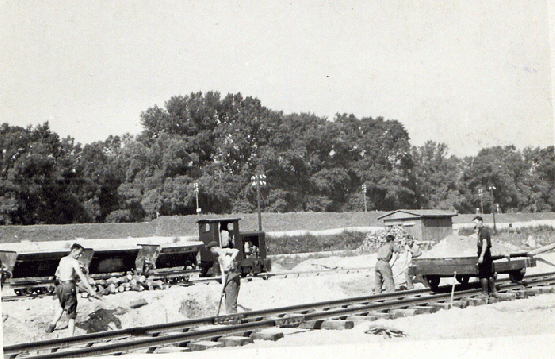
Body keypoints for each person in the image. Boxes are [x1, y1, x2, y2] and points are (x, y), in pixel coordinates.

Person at [46, 243, 99, 336]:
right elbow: (81, 276)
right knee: (72, 314)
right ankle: (70, 338)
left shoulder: (63, 260)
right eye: (79, 253)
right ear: (73, 251)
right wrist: (90, 289)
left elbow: (57, 274)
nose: (80, 256)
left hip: (60, 286)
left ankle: (52, 325)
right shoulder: (74, 262)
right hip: (68, 287)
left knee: (62, 305)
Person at [207, 241, 240, 314]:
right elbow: (223, 272)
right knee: (227, 301)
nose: (211, 253)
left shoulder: (224, 251)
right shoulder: (219, 258)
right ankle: (230, 317)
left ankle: (233, 319)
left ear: (213, 249)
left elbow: (236, 251)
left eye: (211, 250)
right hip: (227, 277)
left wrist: (230, 261)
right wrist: (223, 287)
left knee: (231, 302)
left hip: (232, 277)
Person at [474, 216, 498, 298]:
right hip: (487, 254)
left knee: (483, 274)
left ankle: (485, 293)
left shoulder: (483, 231)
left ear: (480, 221)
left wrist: (481, 256)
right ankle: (494, 291)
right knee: (489, 273)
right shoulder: (483, 231)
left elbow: (484, 244)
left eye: (476, 222)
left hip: (484, 254)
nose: (475, 224)